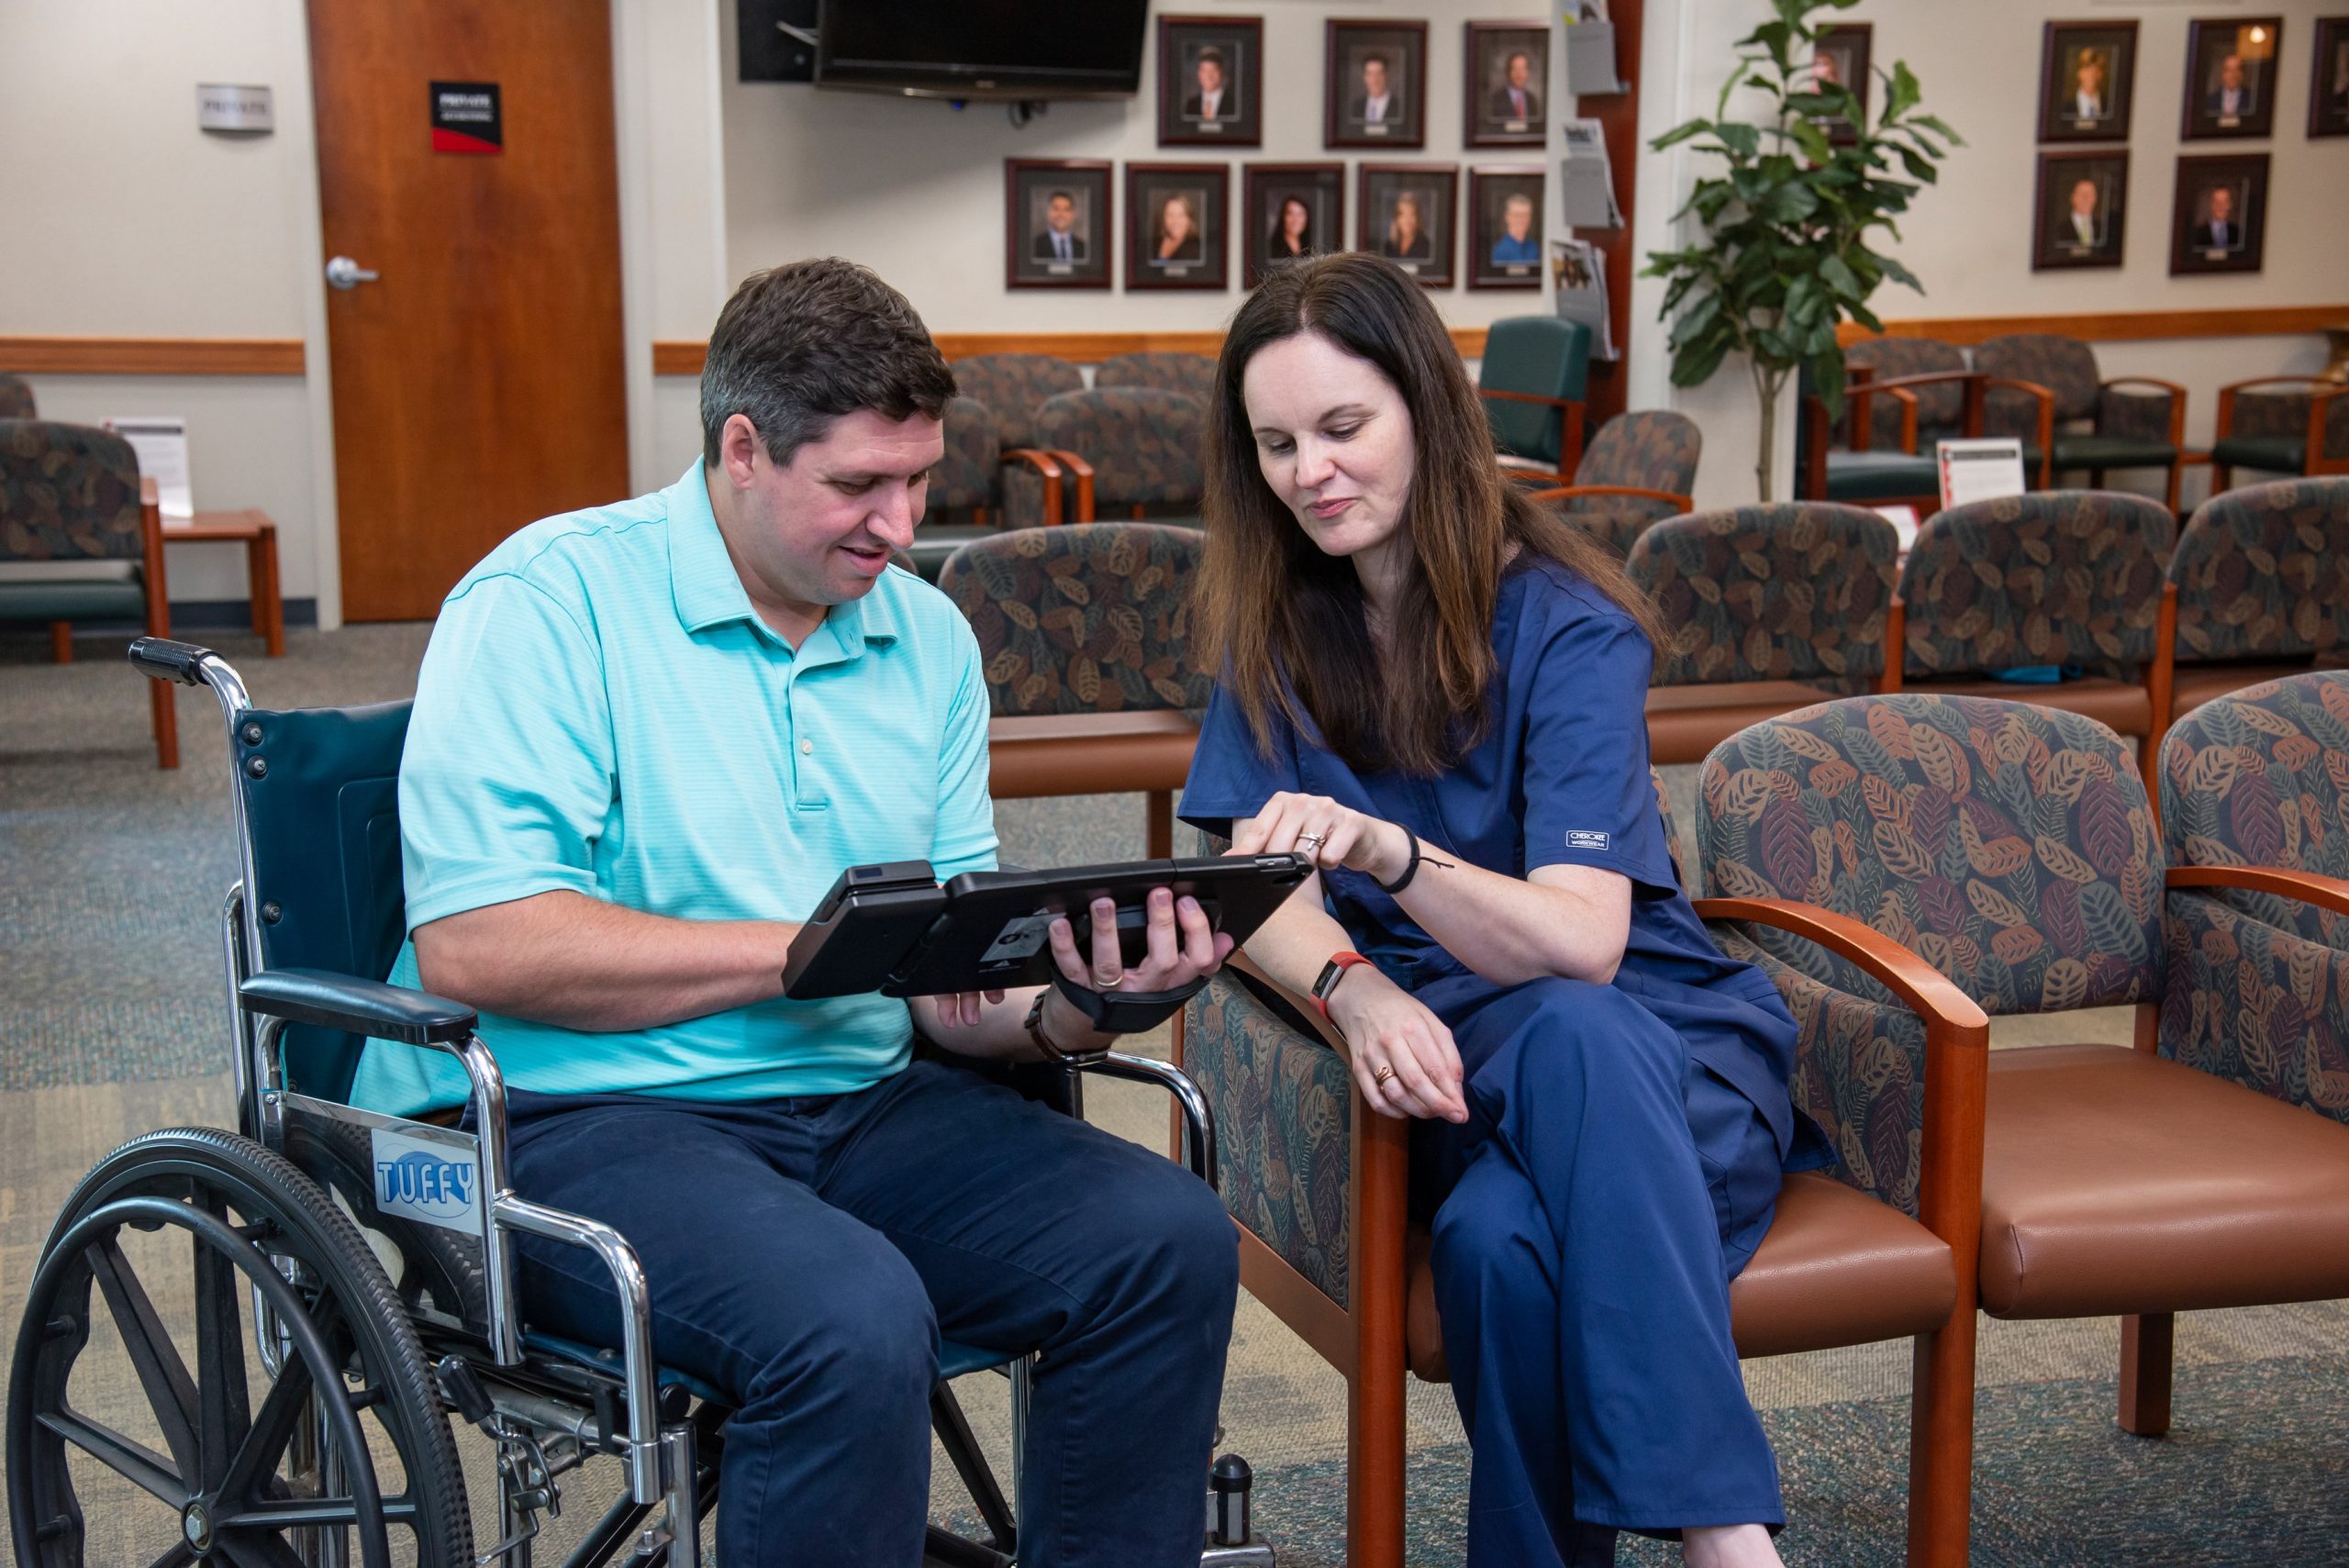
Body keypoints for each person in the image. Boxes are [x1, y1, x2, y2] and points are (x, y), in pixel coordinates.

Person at [351, 257, 1241, 1568]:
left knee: (1164, 1239)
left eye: (920, 478)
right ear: (744, 448)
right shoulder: (548, 605)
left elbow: (952, 995)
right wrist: (808, 954)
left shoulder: (926, 638)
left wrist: (1074, 1002)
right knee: (848, 1318)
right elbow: (482, 943)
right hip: (570, 1116)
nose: (900, 521)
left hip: (855, 1101)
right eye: (858, 486)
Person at [1181, 252, 1824, 1568]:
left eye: (1345, 428)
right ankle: (1729, 1536)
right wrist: (1353, 988)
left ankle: (1719, 1538)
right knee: (1501, 1199)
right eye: (1279, 444)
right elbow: (1251, 892)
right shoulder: (1276, 633)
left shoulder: (1569, 624)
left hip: (1663, 1059)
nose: (1312, 472)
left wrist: (1390, 852)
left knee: (1499, 1234)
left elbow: (1586, 948)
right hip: (1454, 1065)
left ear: (1427, 406)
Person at [1033, 190, 1086, 263]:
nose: (1061, 214)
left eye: (1066, 209)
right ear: (1048, 212)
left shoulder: (1083, 248)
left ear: (1073, 214)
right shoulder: (1035, 246)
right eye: (1056, 209)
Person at [1488, 49, 1541, 123]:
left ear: (1528, 73)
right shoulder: (1496, 100)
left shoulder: (1532, 100)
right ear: (1508, 72)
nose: (1519, 73)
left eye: (1522, 69)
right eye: (1514, 68)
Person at [1153, 190, 1205, 263]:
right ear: (1164, 218)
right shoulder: (1154, 242)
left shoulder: (1198, 249)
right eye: (1170, 215)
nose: (1175, 221)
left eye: (1181, 215)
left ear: (1190, 220)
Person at [1184, 45, 1231, 122]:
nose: (1209, 76)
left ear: (1222, 72)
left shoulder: (1233, 104)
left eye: (1213, 70)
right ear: (1199, 74)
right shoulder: (1191, 105)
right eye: (1204, 70)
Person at [1381, 191, 1433, 261]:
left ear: (1418, 218)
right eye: (1402, 215)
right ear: (1396, 219)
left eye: (1412, 214)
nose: (1407, 220)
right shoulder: (1388, 246)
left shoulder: (1427, 247)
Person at [1490, 192, 1540, 266]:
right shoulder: (1500, 251)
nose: (1522, 220)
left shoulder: (1534, 247)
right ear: (1507, 217)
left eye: (1525, 215)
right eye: (1517, 215)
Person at [1352, 52, 1399, 125]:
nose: (1374, 80)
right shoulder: (1356, 106)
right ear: (1365, 78)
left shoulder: (1398, 107)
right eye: (1370, 74)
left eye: (1379, 74)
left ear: (1387, 76)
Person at [2206, 50, 2255, 117]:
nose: (2233, 75)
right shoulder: (2210, 100)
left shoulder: (2252, 99)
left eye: (2237, 69)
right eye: (2229, 70)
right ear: (2222, 74)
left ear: (2242, 74)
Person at [1266, 194, 1314, 262]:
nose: (1295, 220)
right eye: (1290, 214)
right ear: (1283, 217)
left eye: (1300, 214)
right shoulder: (1270, 248)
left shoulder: (1310, 248)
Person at [2192, 183, 2241, 250]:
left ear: (2230, 205)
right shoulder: (2198, 233)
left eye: (2225, 202)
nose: (2221, 206)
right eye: (2216, 201)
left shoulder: (2237, 232)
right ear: (2211, 205)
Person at [2064, 175, 2102, 250]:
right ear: (2073, 197)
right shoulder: (2060, 228)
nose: (2087, 199)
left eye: (2091, 195)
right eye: (2083, 194)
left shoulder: (2100, 227)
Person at [2069, 48, 2108, 119]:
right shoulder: (2066, 107)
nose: (2093, 74)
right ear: (2079, 72)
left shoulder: (2109, 105)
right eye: (2088, 68)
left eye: (2098, 68)